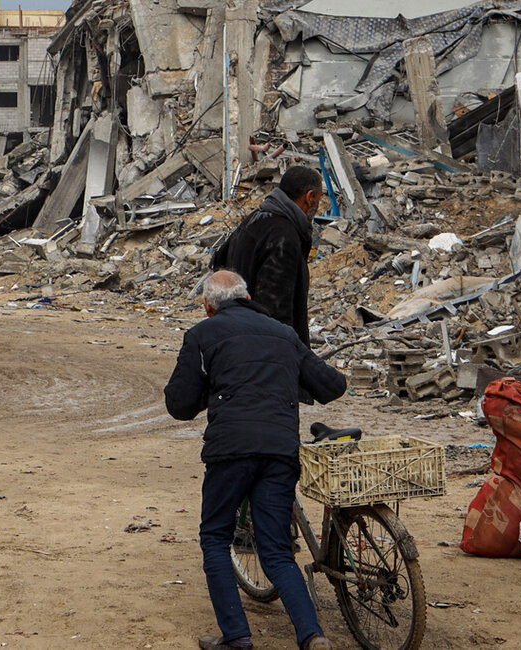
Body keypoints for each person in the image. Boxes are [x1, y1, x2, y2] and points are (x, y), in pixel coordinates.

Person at [162, 270, 346, 650]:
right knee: (276, 549)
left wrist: (211, 392)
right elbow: (332, 385)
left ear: (207, 305)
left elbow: (179, 404)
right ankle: (312, 636)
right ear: (246, 297)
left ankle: (237, 637)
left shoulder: (202, 334)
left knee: (215, 538)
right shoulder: (283, 334)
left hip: (230, 451)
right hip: (280, 450)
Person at [212, 166, 324, 343]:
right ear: (310, 197)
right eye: (319, 199)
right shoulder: (283, 236)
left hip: (235, 335)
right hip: (261, 345)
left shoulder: (255, 219)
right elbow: (276, 307)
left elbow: (218, 264)